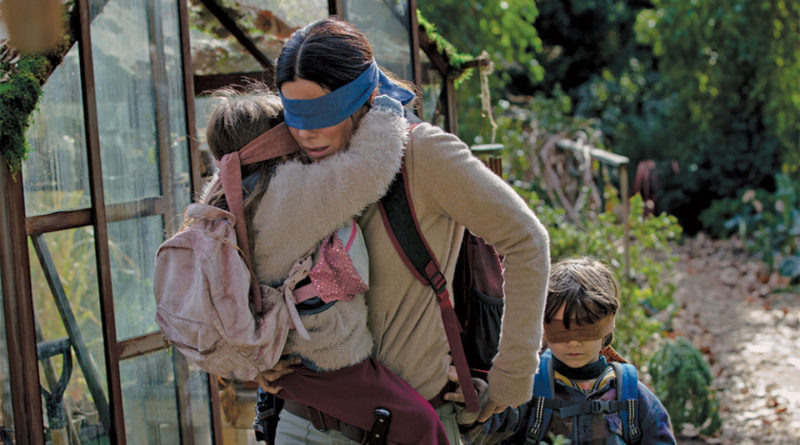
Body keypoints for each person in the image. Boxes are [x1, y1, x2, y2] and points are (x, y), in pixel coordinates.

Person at [257, 17, 551, 445]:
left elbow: (527, 240)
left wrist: (512, 376)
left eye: (323, 112)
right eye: (295, 115)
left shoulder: (422, 154)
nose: (306, 131)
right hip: (303, 422)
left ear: (361, 97)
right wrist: (256, 353)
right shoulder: (289, 160)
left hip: (407, 425)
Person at [201, 85, 449, 444]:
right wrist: (385, 107)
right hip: (328, 361)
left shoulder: (221, 198)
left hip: (283, 357)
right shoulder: (286, 194)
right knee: (424, 426)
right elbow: (369, 169)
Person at [457, 257, 676, 444]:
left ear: (607, 327)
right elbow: (482, 435)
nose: (572, 342)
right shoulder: (528, 390)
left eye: (585, 328)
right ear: (543, 327)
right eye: (560, 329)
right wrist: (478, 403)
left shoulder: (633, 398)